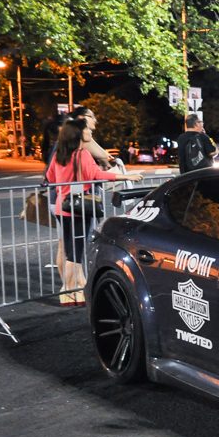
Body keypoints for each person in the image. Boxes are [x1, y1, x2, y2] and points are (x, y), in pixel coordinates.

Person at [46, 118, 142, 304]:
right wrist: (126, 176)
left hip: (61, 207)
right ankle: (68, 292)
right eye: (86, 130)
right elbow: (97, 175)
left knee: (70, 249)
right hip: (78, 208)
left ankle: (71, 291)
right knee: (75, 254)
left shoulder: (60, 154)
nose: (90, 132)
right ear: (78, 134)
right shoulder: (82, 154)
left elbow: (50, 178)